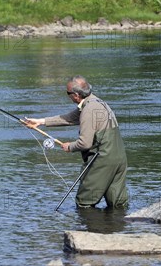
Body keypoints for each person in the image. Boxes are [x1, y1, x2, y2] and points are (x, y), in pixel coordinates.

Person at [25, 75, 129, 209]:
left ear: (75, 95)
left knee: (84, 202)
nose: (67, 96)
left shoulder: (88, 110)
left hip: (102, 160)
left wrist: (70, 147)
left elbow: (85, 143)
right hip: (119, 158)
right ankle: (118, 227)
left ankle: (86, 229)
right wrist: (40, 122)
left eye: (67, 93)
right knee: (117, 203)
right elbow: (69, 118)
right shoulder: (97, 102)